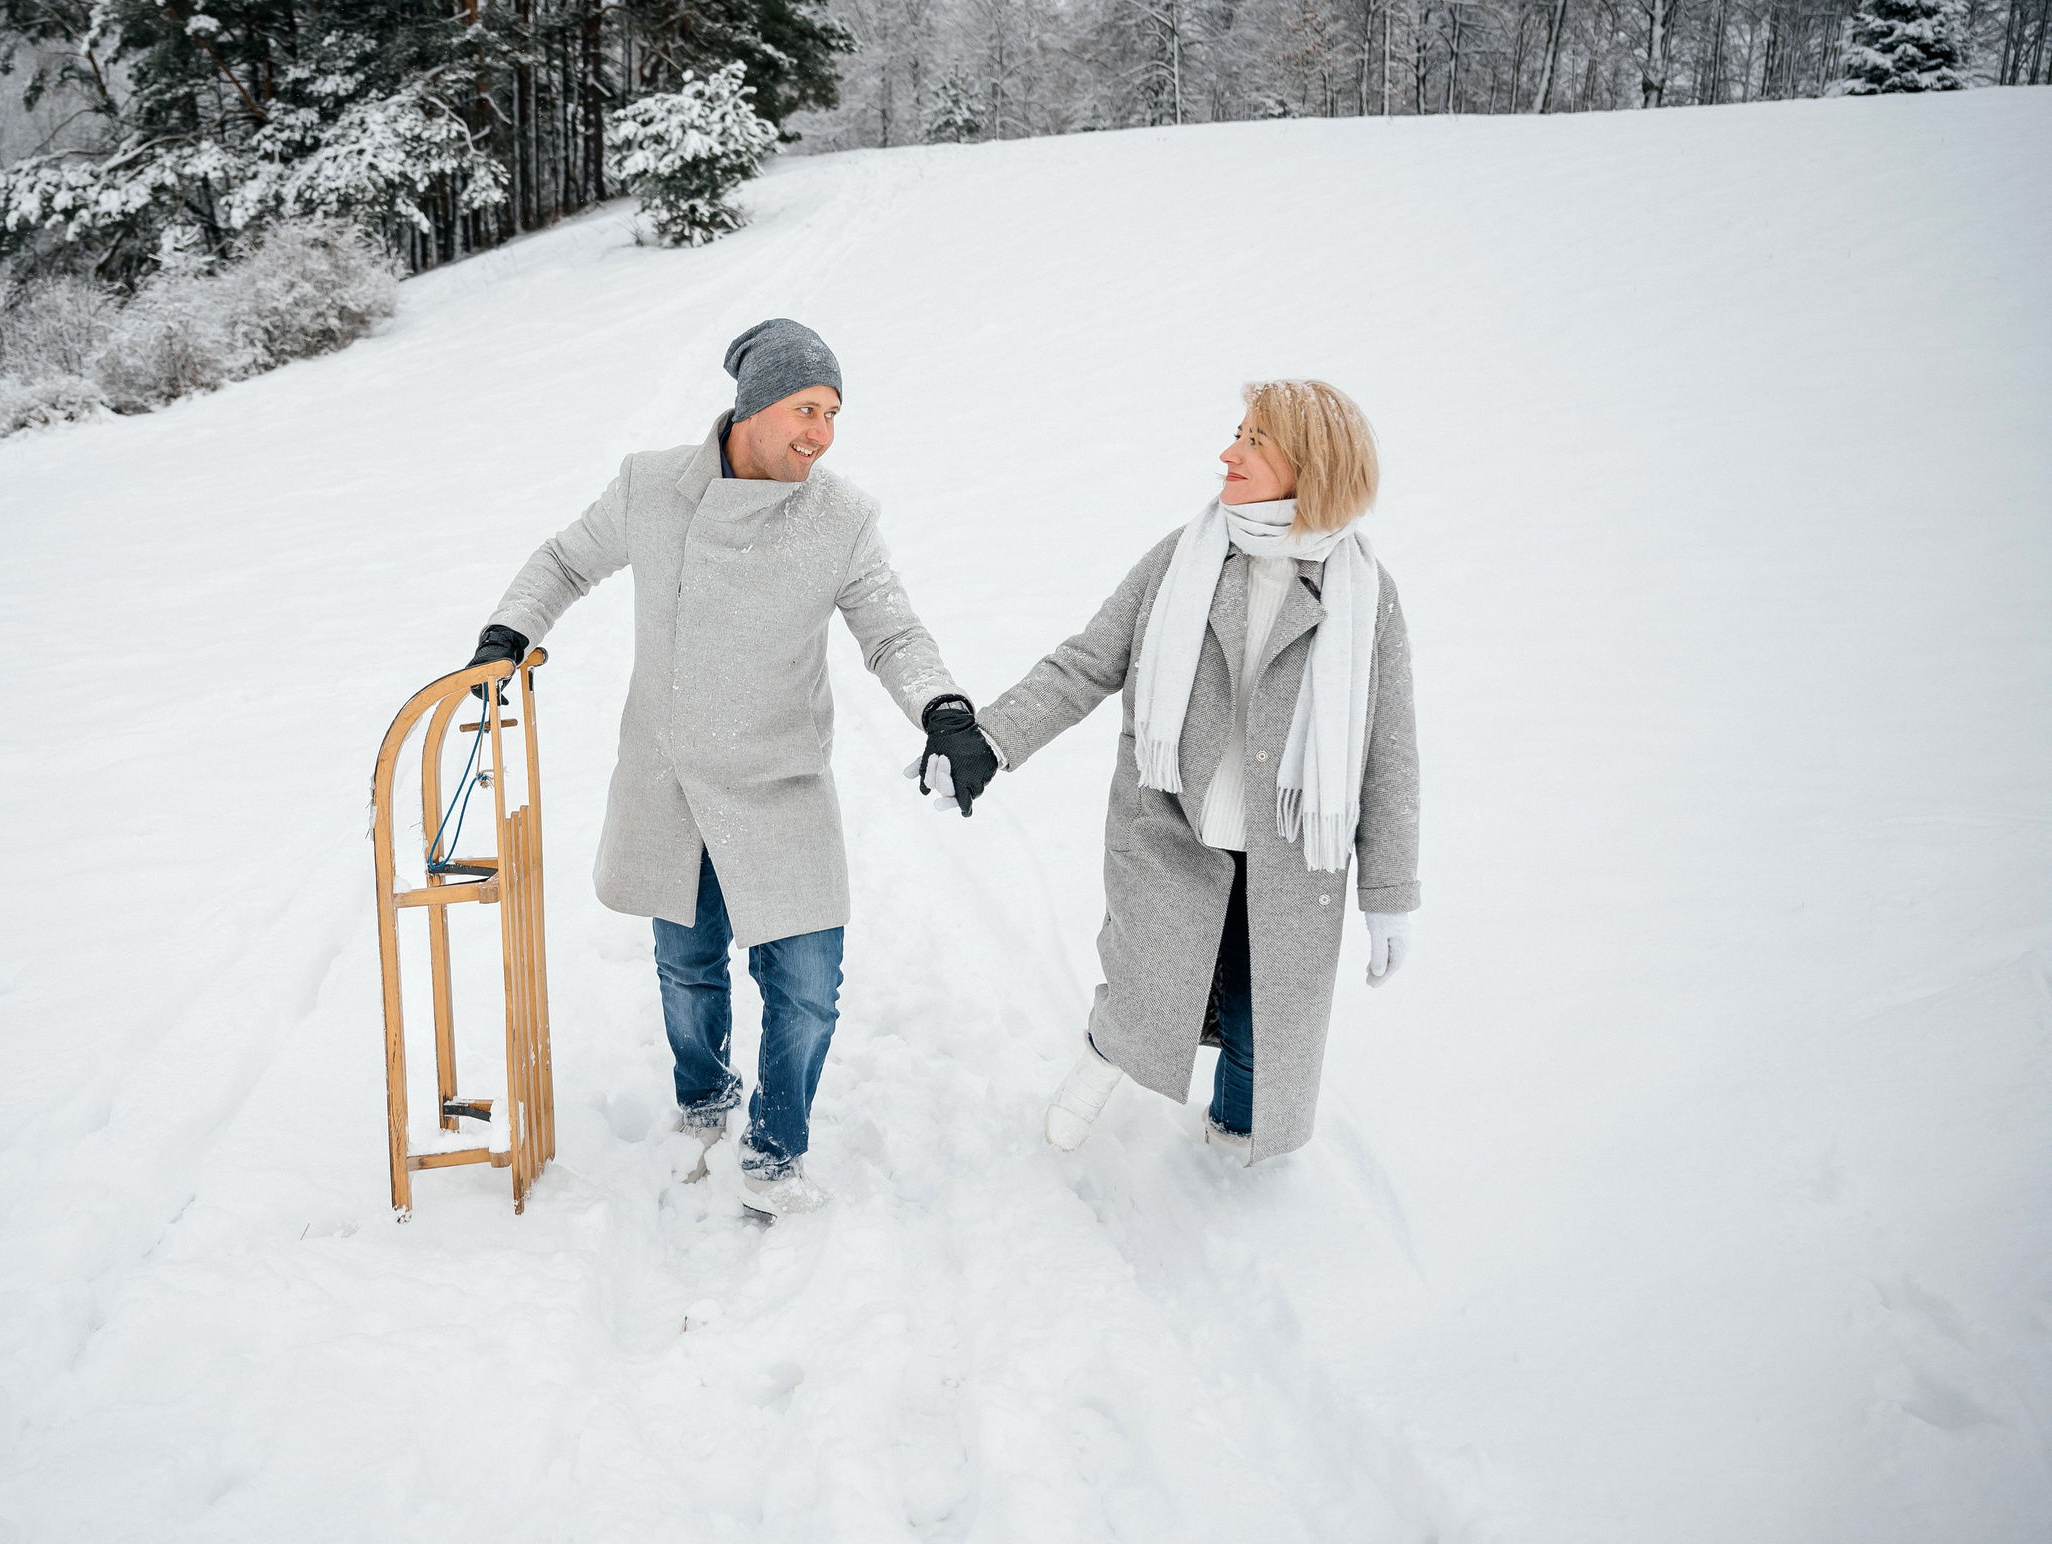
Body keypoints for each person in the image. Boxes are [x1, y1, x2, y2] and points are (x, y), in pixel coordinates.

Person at [466, 318, 999, 1220]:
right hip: (670, 779)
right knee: (688, 967)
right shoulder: (652, 487)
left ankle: (775, 1153)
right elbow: (565, 560)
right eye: (806, 409)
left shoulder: (841, 518)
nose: (821, 434)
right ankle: (705, 1099)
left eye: (833, 414)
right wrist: (507, 633)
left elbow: (894, 631)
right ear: (754, 406)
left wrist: (943, 709)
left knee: (807, 986)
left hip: (779, 782)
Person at [964, 380, 1420, 1167]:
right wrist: (992, 740)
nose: (1228, 453)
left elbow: (1390, 756)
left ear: (1310, 465)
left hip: (1293, 857)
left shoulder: (1367, 598)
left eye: (1254, 441)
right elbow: (1085, 663)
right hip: (1171, 829)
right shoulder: (1184, 559)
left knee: (1260, 1022)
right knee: (1146, 979)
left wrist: (1389, 895)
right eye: (1237, 433)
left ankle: (1232, 1143)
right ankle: (1101, 1063)